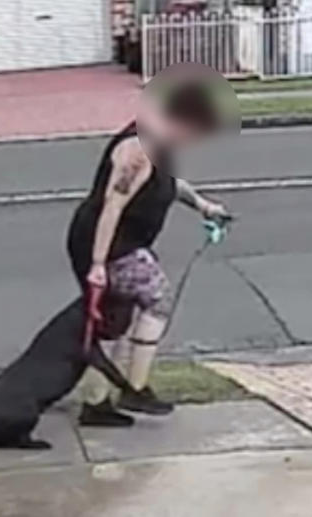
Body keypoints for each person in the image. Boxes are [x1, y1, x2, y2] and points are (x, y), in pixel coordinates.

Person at [66, 81, 230, 427]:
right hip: (107, 244)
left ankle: (96, 404)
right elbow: (113, 206)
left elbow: (169, 184)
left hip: (119, 242)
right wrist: (98, 264)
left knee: (112, 321)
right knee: (157, 297)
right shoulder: (138, 151)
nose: (194, 140)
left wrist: (202, 205)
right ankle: (135, 389)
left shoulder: (160, 143)